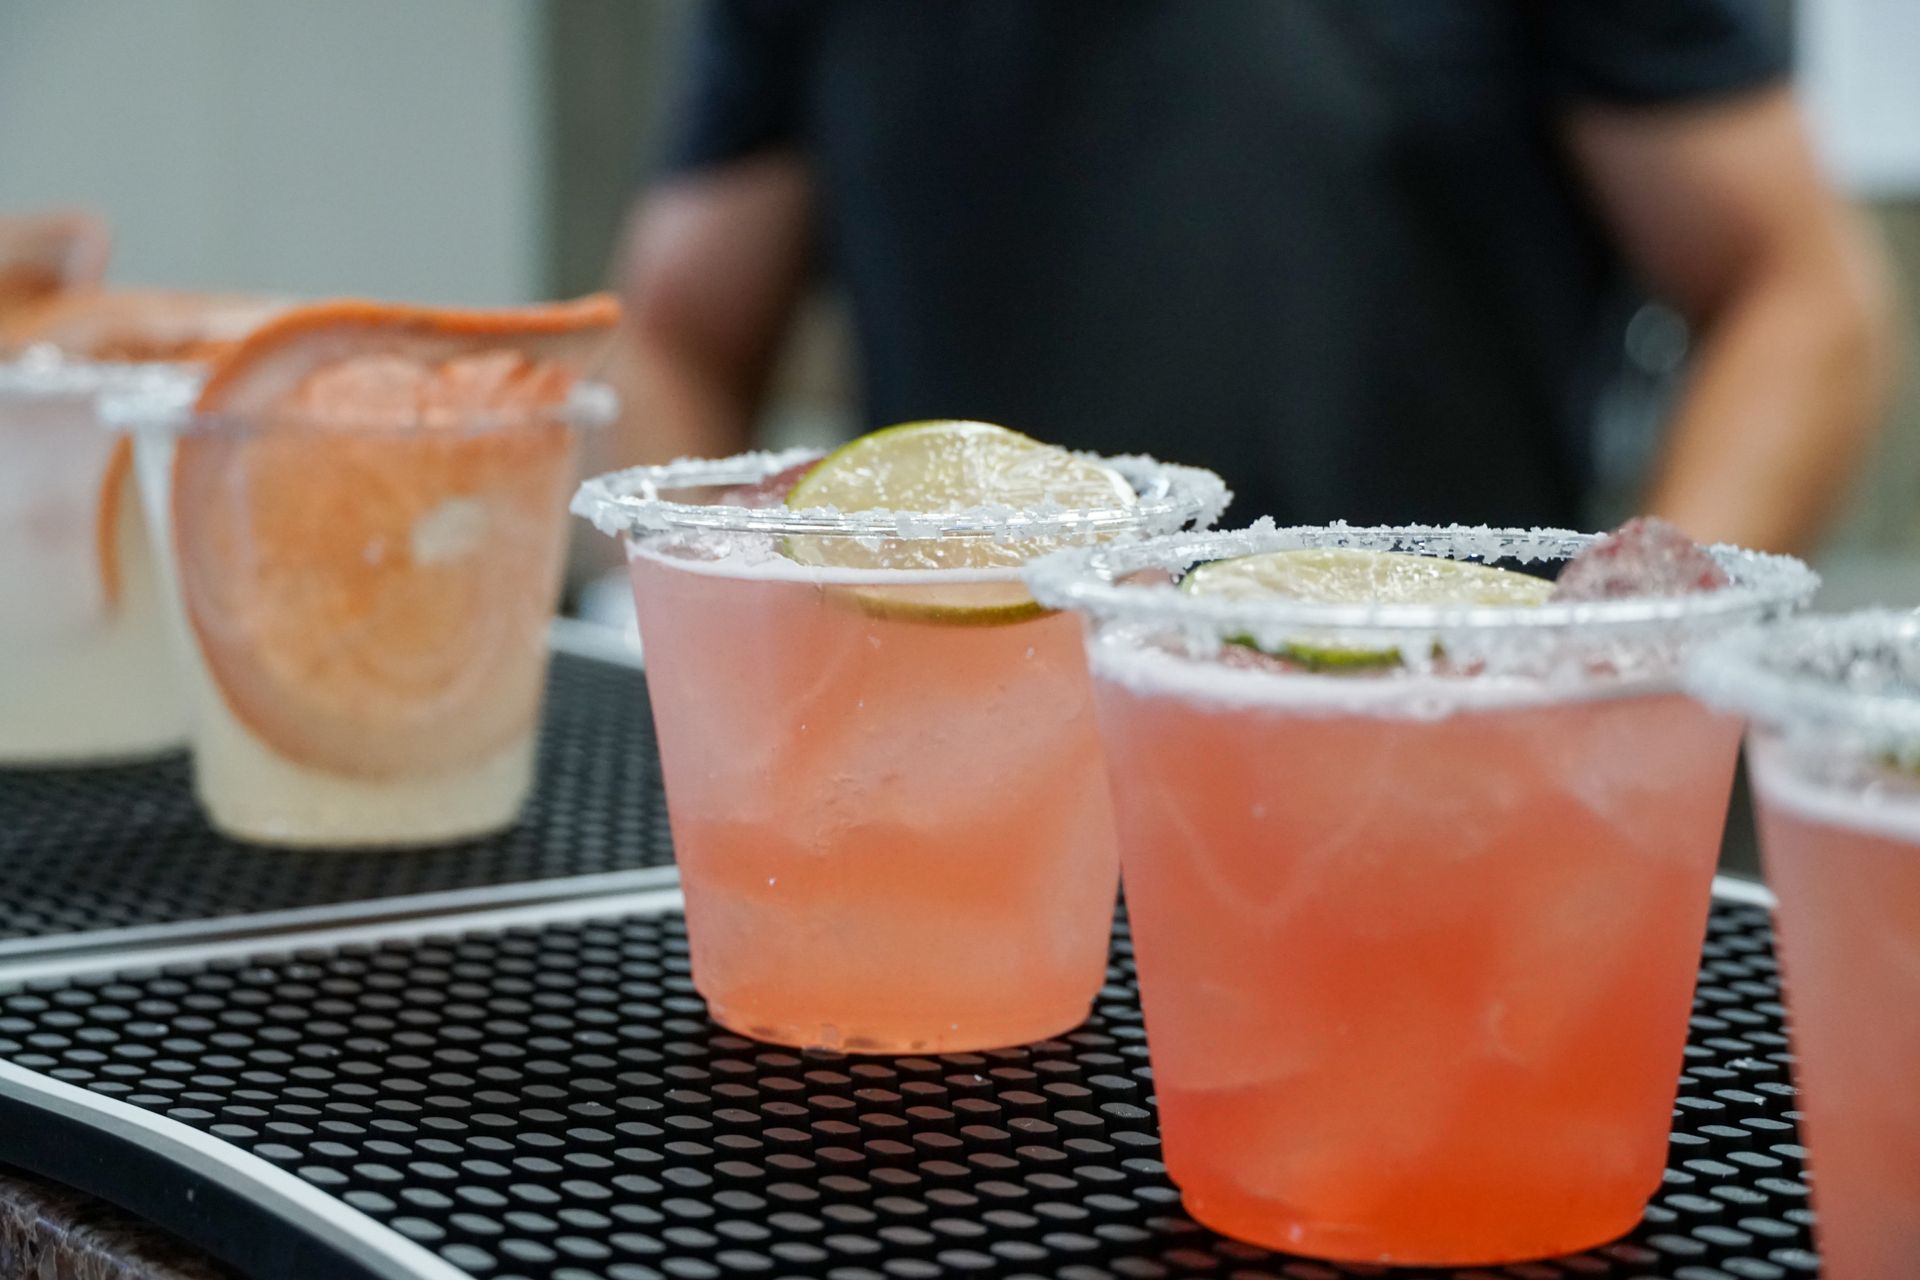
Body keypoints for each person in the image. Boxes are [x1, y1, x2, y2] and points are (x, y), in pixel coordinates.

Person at [615, 0, 1895, 554]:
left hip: (1425, 750)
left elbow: (1802, 295)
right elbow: (675, 335)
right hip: (973, 754)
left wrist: (1629, 660)